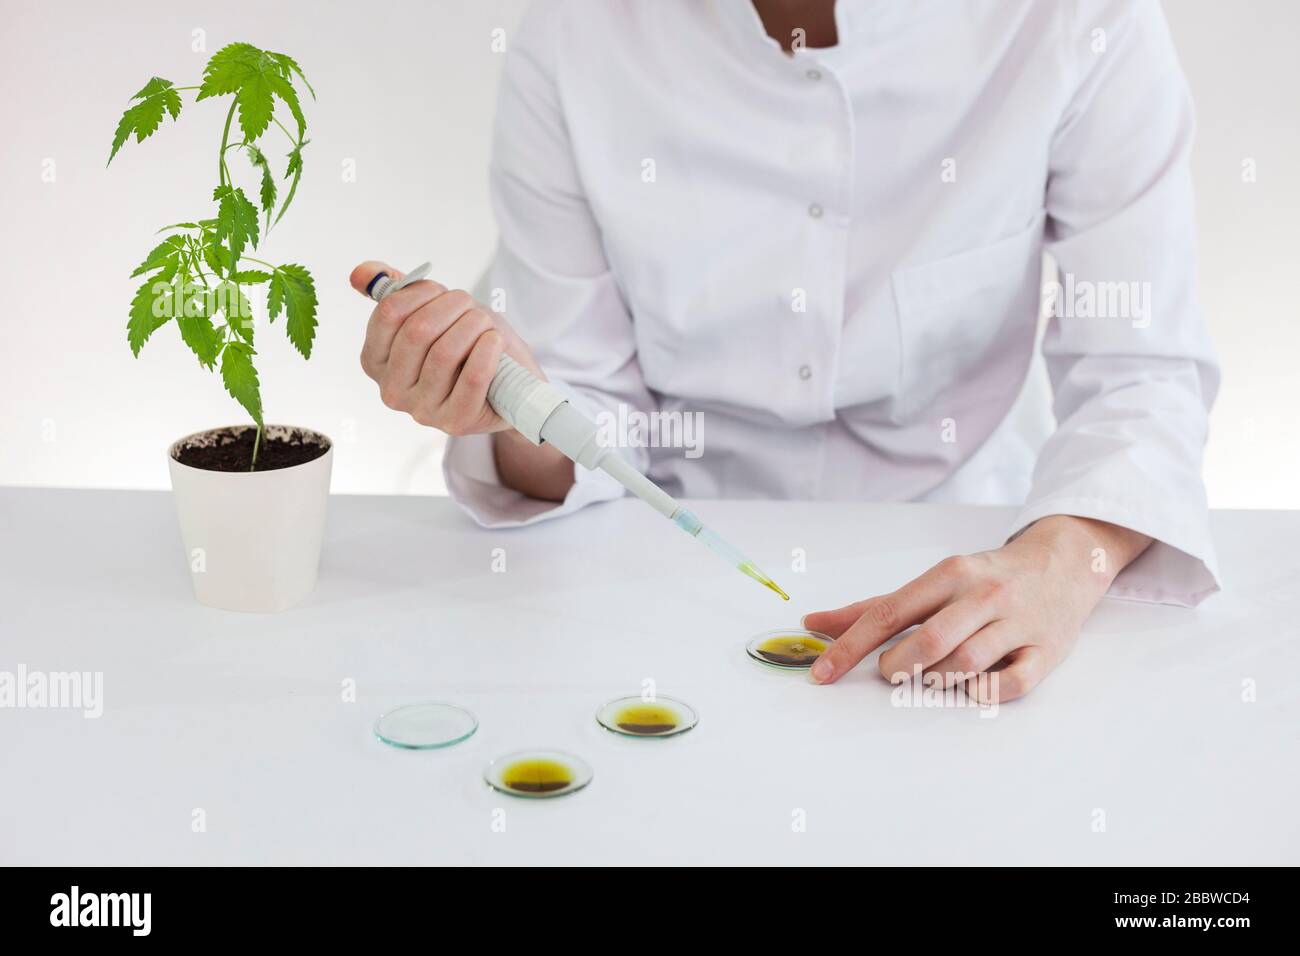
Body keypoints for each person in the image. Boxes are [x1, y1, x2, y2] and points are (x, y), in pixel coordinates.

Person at [349, 0, 1218, 702]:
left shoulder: (1078, 20)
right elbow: (582, 418)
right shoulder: (576, 36)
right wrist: (503, 401)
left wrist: (1062, 561)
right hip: (656, 561)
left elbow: (1142, 367)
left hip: (969, 547)